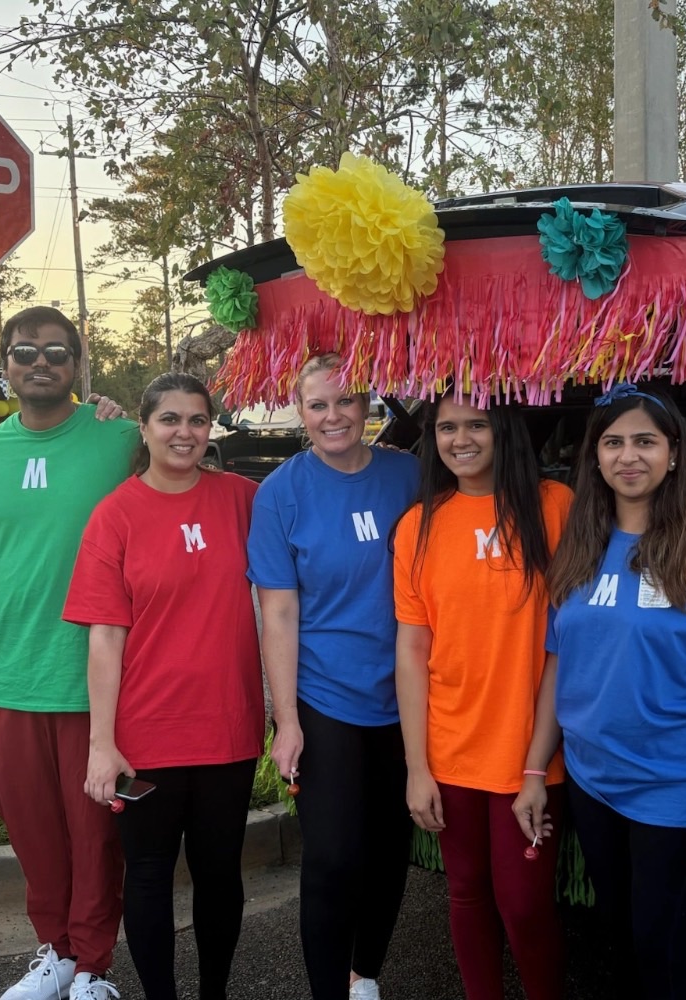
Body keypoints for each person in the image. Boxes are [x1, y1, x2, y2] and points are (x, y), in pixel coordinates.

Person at [542, 384, 686, 999]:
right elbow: (558, 666)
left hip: (681, 791)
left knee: (665, 953)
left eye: (645, 441)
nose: (628, 456)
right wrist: (534, 772)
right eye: (612, 442)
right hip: (596, 786)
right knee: (625, 941)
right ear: (594, 457)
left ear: (674, 453)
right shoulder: (580, 550)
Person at [0, 306, 141, 1000]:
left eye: (57, 352)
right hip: (5, 677)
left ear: (77, 365)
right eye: (25, 351)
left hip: (96, 682)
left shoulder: (118, 437)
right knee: (31, 830)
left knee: (97, 835)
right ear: (4, 363)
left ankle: (93, 967)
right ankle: (55, 952)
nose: (41, 363)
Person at [69, 371, 265, 1000]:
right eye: (170, 420)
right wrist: (102, 743)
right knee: (148, 875)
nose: (185, 433)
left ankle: (214, 993)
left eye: (197, 420)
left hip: (227, 728)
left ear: (211, 429)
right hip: (145, 735)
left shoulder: (241, 498)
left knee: (218, 876)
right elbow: (104, 637)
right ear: (146, 428)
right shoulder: (115, 514)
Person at [247, 354, 420, 1000]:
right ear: (300, 411)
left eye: (346, 401)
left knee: (387, 852)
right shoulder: (282, 493)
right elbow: (280, 614)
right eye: (317, 405)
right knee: (332, 859)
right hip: (325, 699)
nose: (333, 416)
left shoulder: (410, 476)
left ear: (369, 403)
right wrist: (286, 720)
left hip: (405, 697)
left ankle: (364, 974)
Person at [394, 396, 573, 1000]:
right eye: (446, 427)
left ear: (504, 431)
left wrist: (533, 764)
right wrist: (418, 768)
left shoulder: (554, 507)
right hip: (451, 750)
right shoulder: (418, 525)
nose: (460, 438)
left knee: (523, 905)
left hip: (531, 751)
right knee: (467, 891)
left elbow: (565, 645)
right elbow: (413, 654)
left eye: (476, 425)